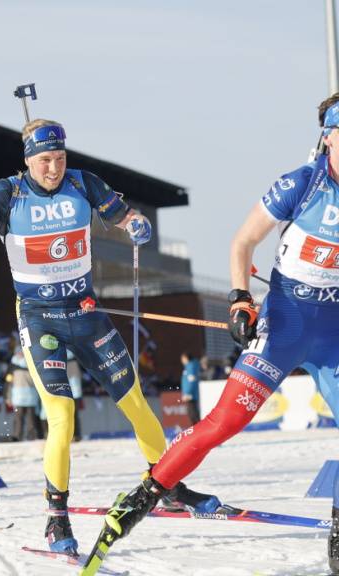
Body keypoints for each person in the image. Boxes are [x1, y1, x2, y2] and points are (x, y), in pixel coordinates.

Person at [82, 94, 339, 574]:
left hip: (334, 332)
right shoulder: (301, 184)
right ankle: (141, 499)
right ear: (327, 139)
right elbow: (243, 240)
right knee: (222, 424)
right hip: (285, 326)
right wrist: (240, 298)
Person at [0, 118, 219, 555]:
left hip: (87, 313)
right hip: (40, 319)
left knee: (137, 405)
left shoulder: (84, 183)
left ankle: (167, 484)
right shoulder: (6, 193)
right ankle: (56, 519)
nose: (54, 168)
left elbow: (125, 216)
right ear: (29, 160)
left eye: (60, 158)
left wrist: (135, 226)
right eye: (45, 160)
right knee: (62, 415)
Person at [180, 351, 201, 425]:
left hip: (191, 394)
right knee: (192, 412)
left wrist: (188, 393)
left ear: (186, 358)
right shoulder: (189, 366)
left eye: (182, 359)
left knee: (193, 413)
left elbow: (191, 380)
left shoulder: (190, 366)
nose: (182, 361)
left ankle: (198, 428)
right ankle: (197, 428)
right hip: (190, 393)